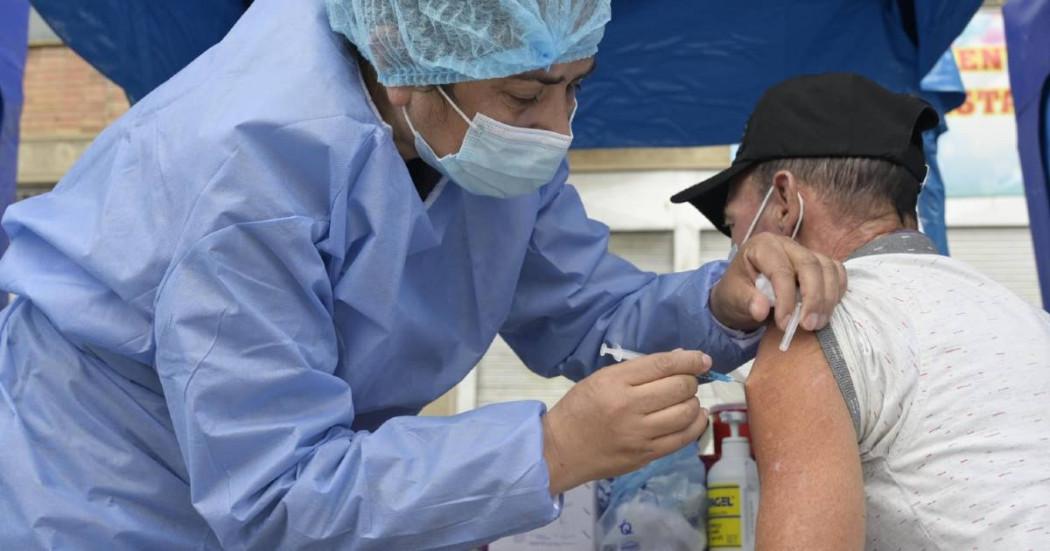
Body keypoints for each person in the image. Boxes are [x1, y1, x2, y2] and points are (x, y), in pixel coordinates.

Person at [0, 1, 846, 549]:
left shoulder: (474, 127)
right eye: (525, 98)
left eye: (573, 87)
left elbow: (590, 315)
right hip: (103, 489)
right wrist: (549, 449)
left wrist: (720, 301)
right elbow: (277, 492)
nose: (554, 130)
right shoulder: (245, 172)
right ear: (406, 63)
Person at [673, 73, 1050, 549]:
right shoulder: (1027, 320)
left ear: (785, 202)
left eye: (732, 226)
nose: (735, 251)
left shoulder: (814, 327)